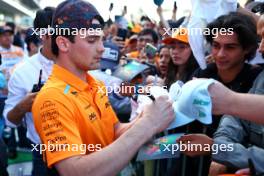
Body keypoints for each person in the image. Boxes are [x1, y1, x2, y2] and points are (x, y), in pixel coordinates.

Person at [32, 1, 175, 175]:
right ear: (63, 43)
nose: (102, 48)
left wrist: (147, 114)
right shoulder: (52, 98)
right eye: (92, 40)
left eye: (101, 39)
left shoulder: (94, 84)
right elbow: (74, 171)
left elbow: (114, 131)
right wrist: (148, 123)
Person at [3, 7, 55, 175]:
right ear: (42, 34)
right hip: (43, 153)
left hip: (83, 149)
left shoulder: (80, 63)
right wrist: (22, 107)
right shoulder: (23, 71)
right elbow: (10, 120)